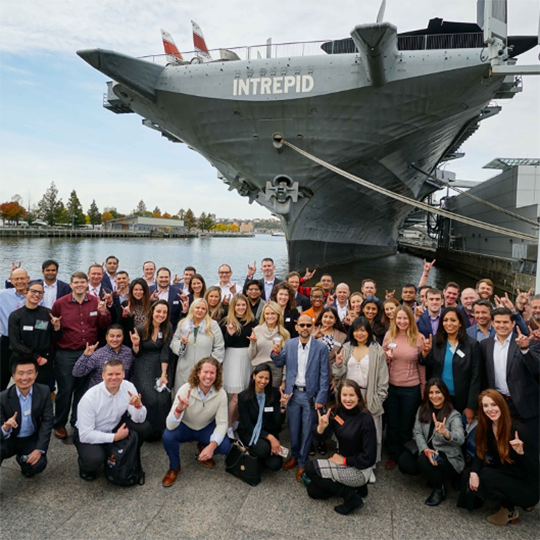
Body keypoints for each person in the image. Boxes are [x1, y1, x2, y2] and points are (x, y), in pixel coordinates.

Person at [458, 389, 540, 525]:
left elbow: (536, 471)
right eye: (485, 405)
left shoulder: (519, 430)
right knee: (469, 474)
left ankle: (510, 509)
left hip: (527, 484)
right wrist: (473, 473)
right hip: (507, 472)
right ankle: (506, 499)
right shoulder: (487, 426)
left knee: (485, 476)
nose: (490, 409)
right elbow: (481, 451)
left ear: (502, 405)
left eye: (494, 404)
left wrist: (521, 453)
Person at [51, 271, 111, 440]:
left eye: (82, 282)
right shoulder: (60, 304)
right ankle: (60, 423)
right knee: (65, 390)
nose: (79, 285)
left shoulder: (95, 302)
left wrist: (103, 313)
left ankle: (77, 421)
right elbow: (54, 329)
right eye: (76, 282)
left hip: (89, 352)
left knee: (84, 391)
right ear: (71, 285)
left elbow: (103, 326)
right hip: (67, 353)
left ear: (87, 284)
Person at [303, 380, 376, 515]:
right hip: (342, 464)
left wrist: (343, 461)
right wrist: (321, 427)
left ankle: (352, 498)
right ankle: (358, 489)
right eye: (344, 395)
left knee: (310, 468)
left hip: (359, 470)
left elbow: (369, 457)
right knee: (313, 491)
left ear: (358, 397)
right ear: (339, 396)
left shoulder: (366, 419)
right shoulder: (336, 412)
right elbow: (321, 437)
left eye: (352, 395)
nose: (348, 399)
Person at [272, 313, 330, 482]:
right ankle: (295, 455)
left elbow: (325, 375)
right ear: (296, 327)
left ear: (312, 327)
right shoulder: (289, 344)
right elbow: (279, 362)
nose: (305, 328)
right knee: (293, 429)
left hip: (310, 395)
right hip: (293, 393)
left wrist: (321, 398)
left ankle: (303, 462)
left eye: (308, 325)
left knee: (307, 430)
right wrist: (275, 353)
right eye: (302, 325)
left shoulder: (321, 348)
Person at [74, 359, 152, 481]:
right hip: (91, 432)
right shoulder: (90, 398)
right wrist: (115, 437)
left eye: (118, 374)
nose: (114, 378)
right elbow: (85, 435)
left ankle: (124, 453)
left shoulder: (128, 386)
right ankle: (85, 467)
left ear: (123, 374)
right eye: (110, 374)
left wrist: (137, 406)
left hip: (115, 426)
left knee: (144, 427)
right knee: (94, 459)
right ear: (103, 375)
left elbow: (139, 419)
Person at [161, 357, 231, 487]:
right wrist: (178, 409)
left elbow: (222, 423)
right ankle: (174, 467)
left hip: (205, 427)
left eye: (212, 373)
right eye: (205, 372)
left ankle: (204, 448)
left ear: (217, 375)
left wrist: (212, 446)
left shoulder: (221, 394)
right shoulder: (184, 389)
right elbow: (170, 425)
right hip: (185, 427)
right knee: (168, 436)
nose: (208, 376)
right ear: (198, 373)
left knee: (225, 446)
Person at [479, 307, 540, 451]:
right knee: (504, 445)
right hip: (499, 404)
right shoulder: (484, 345)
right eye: (498, 322)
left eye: (505, 322)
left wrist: (525, 350)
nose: (501, 325)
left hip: (526, 405)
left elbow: (536, 369)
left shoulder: (529, 343)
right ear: (492, 323)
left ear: (513, 324)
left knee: (531, 447)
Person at [398, 378, 465, 506]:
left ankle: (439, 488)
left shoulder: (453, 415)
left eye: (438, 392)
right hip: (427, 451)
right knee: (405, 462)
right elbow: (417, 432)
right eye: (431, 392)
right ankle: (431, 473)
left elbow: (460, 438)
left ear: (444, 394)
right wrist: (425, 449)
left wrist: (446, 433)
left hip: (447, 457)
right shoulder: (423, 409)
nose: (434, 396)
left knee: (424, 460)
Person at [333, 317, 388, 468]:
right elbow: (338, 374)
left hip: (368, 395)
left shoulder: (377, 350)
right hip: (348, 396)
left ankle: (369, 465)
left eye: (363, 330)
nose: (359, 334)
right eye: (356, 330)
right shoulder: (346, 348)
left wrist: (378, 399)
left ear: (369, 332)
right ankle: (347, 458)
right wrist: (338, 365)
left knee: (369, 432)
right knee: (349, 429)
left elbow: (383, 380)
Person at [383, 305, 430, 469]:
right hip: (391, 387)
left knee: (406, 424)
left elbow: (422, 366)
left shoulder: (418, 338)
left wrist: (423, 389)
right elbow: (382, 362)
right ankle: (393, 454)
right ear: (394, 319)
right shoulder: (389, 335)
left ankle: (405, 454)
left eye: (405, 318)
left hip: (411, 388)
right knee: (392, 423)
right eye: (399, 318)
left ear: (410, 319)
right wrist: (386, 358)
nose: (402, 321)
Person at [420, 307, 481, 424]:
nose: (449, 324)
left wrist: (471, 406)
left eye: (453, 320)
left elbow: (476, 378)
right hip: (437, 397)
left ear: (460, 323)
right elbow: (426, 365)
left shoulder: (472, 345)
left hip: (461, 399)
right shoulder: (436, 341)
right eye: (445, 320)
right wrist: (425, 354)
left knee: (458, 432)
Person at [0, 358, 53, 478]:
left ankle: (23, 461)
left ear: (36, 374)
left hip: (30, 438)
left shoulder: (44, 391)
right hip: (10, 439)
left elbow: (47, 421)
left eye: (29, 373)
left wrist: (39, 449)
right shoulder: (2, 398)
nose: (25, 378)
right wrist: (5, 427)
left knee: (37, 465)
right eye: (20, 373)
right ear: (13, 375)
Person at [131, 300, 173, 440]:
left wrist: (163, 374)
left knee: (162, 397)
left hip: (162, 364)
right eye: (158, 311)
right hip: (143, 363)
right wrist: (136, 343)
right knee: (149, 397)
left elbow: (165, 352)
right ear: (152, 312)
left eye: (164, 312)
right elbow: (136, 353)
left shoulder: (167, 327)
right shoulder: (141, 328)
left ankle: (162, 429)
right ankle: (148, 431)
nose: (161, 315)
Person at [8, 279, 62, 385]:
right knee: (24, 389)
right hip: (22, 359)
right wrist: (36, 357)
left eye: (40, 292)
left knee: (41, 390)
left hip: (44, 360)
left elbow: (55, 338)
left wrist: (57, 328)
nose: (36, 294)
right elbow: (15, 343)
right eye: (33, 291)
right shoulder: (16, 316)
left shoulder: (47, 313)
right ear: (26, 292)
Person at [237, 363, 287, 476]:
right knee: (264, 449)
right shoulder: (243, 397)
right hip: (249, 431)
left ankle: (258, 456)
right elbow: (248, 425)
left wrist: (283, 408)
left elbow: (278, 423)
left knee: (276, 464)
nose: (263, 381)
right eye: (260, 377)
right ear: (254, 376)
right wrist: (271, 439)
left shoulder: (274, 394)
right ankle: (256, 451)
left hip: (268, 431)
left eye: (267, 378)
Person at [170, 298, 225, 394]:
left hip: (205, 371)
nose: (200, 310)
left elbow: (219, 347)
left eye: (203, 309)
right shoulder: (183, 324)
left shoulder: (213, 325)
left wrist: (211, 366)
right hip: (185, 369)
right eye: (197, 308)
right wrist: (182, 344)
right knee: (183, 395)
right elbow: (173, 343)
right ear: (192, 309)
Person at [220, 294, 257, 437]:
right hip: (232, 358)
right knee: (234, 396)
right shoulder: (226, 322)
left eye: (243, 305)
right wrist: (229, 334)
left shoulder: (253, 322)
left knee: (243, 394)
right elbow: (223, 345)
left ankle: (235, 420)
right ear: (233, 306)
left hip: (247, 358)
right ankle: (227, 425)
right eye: (238, 305)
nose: (240, 308)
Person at [72, 324, 134, 389]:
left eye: (118, 336)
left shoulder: (129, 353)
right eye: (112, 336)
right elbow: (77, 372)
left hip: (121, 394)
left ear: (123, 337)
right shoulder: (97, 354)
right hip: (99, 395)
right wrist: (85, 356)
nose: (115, 339)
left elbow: (133, 376)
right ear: (106, 337)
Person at [0, 267, 30, 391]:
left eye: (22, 278)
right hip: (7, 342)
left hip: (28, 342)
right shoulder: (2, 295)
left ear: (28, 279)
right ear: (11, 281)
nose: (20, 281)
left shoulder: (35, 296)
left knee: (26, 376)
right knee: (2, 376)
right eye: (16, 279)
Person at [248, 301, 290, 388]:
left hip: (276, 371)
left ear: (278, 314)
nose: (270, 316)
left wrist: (284, 379)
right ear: (263, 315)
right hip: (259, 369)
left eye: (273, 313)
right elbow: (251, 355)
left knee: (272, 400)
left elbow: (287, 359)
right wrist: (252, 343)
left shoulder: (284, 334)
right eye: (267, 314)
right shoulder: (256, 330)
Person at [313, 306, 347, 390]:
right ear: (321, 318)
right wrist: (314, 337)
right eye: (325, 316)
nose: (328, 320)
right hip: (313, 373)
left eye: (331, 317)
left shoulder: (342, 336)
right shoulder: (312, 331)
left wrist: (336, 379)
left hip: (332, 375)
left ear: (335, 320)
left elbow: (344, 360)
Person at [118, 278, 151, 345]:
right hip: (130, 341)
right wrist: (124, 315)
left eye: (141, 290)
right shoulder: (125, 304)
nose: (138, 292)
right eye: (136, 289)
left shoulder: (151, 304)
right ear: (131, 291)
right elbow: (119, 325)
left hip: (148, 340)